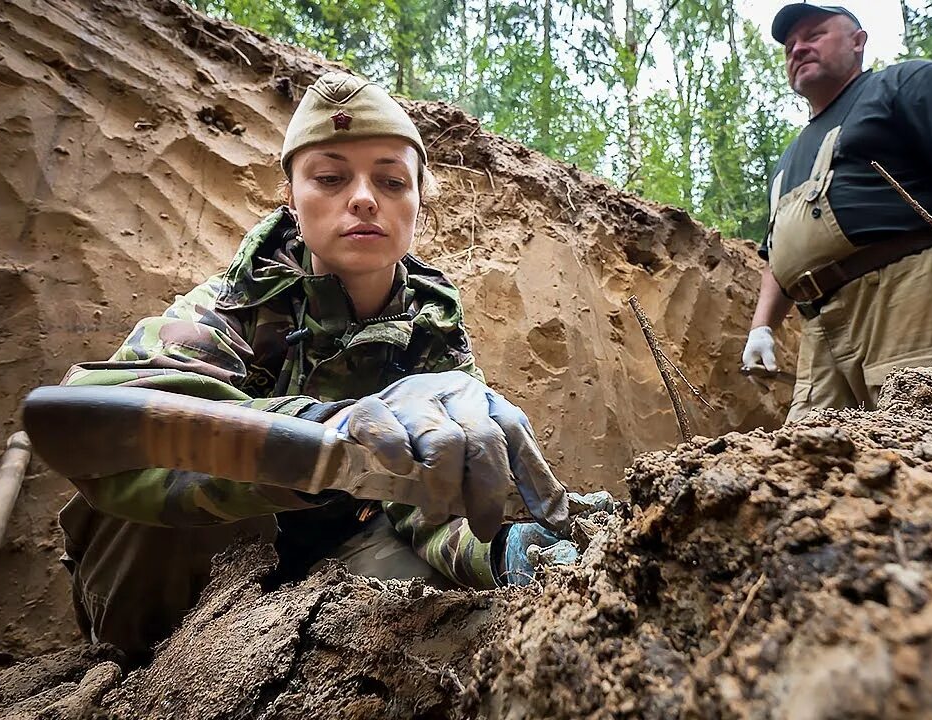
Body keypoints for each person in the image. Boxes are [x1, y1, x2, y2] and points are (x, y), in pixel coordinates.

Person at [55, 71, 610, 660]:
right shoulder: (230, 309)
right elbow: (97, 427)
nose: (365, 197)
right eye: (330, 177)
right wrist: (329, 430)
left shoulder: (434, 338)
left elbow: (425, 503)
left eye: (392, 180)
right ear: (290, 198)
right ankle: (137, 679)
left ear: (419, 200)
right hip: (197, 566)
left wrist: (498, 550)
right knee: (160, 479)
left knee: (442, 620)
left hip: (333, 554)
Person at [741, 4, 932, 422]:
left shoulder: (904, 82)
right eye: (790, 46)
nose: (798, 49)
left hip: (910, 299)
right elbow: (775, 254)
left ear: (858, 42)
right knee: (810, 466)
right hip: (820, 331)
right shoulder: (789, 158)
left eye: (815, 35)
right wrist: (761, 327)